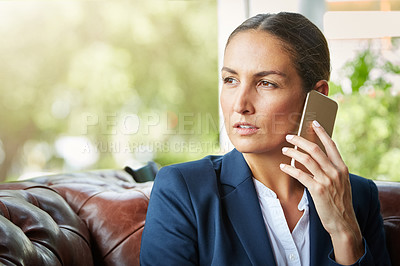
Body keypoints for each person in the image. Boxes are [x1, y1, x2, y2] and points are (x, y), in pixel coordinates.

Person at [140, 12, 391, 265]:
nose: (240, 104)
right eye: (231, 80)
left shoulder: (358, 197)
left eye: (266, 83)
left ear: (317, 96)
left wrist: (343, 231)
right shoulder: (183, 190)